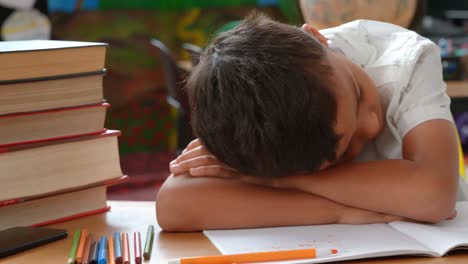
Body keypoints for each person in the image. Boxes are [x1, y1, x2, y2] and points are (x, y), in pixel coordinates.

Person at [156, 13, 459, 232]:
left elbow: (434, 195)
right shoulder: (252, 125)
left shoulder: (404, 58)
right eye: (345, 151)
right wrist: (337, 212)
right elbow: (174, 205)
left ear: (317, 37)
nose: (371, 125)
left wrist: (276, 181)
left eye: (358, 92)